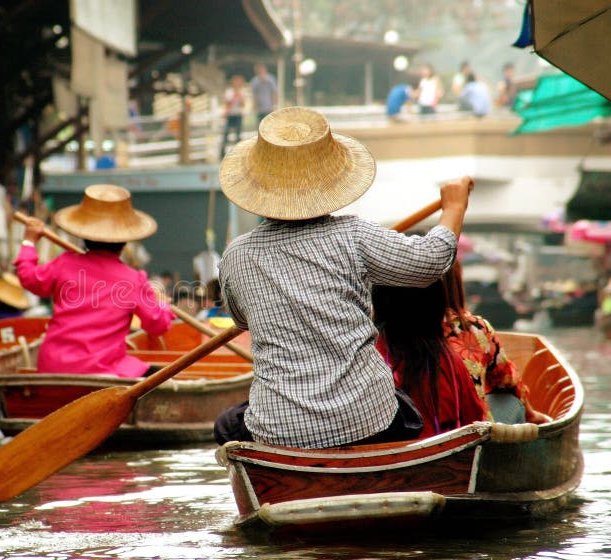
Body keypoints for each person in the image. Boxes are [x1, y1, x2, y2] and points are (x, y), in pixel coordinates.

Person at [213, 106, 473, 449]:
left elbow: (241, 319)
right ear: (328, 184)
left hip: (279, 429)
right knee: (406, 414)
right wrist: (453, 208)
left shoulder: (236, 255)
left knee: (227, 427)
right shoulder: (352, 235)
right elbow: (431, 262)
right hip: (367, 418)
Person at [14, 184, 176, 376]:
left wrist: (29, 241)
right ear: (124, 242)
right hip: (102, 369)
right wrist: (162, 305)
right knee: (159, 378)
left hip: (53, 365)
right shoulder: (134, 279)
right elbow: (158, 326)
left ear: (84, 235)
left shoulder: (64, 263)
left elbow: (28, 277)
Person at [372, 281, 488, 439]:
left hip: (387, 459)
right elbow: (473, 420)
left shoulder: (370, 356)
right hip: (445, 458)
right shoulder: (449, 360)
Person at [442, 260, 551, 425]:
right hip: (470, 431)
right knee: (509, 400)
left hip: (409, 434)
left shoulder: (390, 331)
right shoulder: (474, 328)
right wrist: (531, 415)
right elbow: (507, 381)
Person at [219, 74, 246, 159]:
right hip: (230, 115)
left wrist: (240, 95)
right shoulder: (229, 92)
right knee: (225, 134)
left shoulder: (242, 92)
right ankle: (221, 154)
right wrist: (235, 96)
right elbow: (228, 103)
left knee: (238, 135)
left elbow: (243, 104)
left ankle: (238, 154)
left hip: (238, 115)